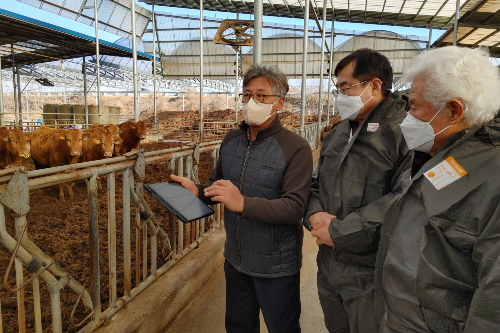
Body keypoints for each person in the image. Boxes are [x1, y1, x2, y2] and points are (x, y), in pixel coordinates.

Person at [171, 65, 312, 333]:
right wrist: (198, 191)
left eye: (261, 96)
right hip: (236, 260)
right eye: (246, 95)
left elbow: (295, 208)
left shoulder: (295, 148)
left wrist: (244, 204)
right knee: (238, 326)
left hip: (276, 267)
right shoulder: (231, 140)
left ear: (279, 103)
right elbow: (218, 184)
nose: (251, 102)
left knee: (282, 327)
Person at [374, 46, 500, 333]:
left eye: (415, 106)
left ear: (454, 111)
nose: (408, 117)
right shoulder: (432, 156)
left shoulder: (491, 177)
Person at [304, 49, 411, 333]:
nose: (340, 95)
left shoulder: (406, 133)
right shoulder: (338, 132)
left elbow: (405, 199)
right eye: (337, 88)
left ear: (374, 86)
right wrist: (314, 215)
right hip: (328, 262)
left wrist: (338, 231)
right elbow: (316, 182)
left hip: (370, 269)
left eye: (345, 87)